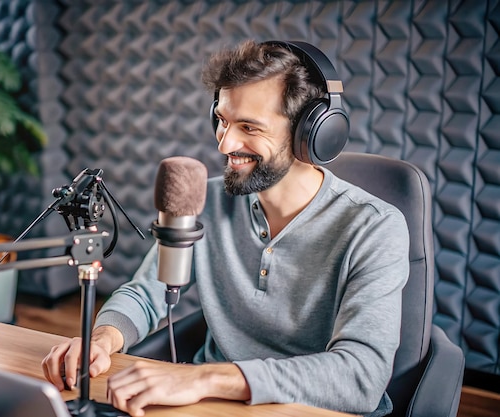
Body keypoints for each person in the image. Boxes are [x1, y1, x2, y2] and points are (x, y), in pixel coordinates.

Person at [42, 39, 409, 417]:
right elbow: (146, 292)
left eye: (249, 127)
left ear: (312, 133)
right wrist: (101, 340)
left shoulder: (374, 227)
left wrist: (205, 379)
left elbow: (362, 378)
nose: (225, 143)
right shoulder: (205, 200)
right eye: (222, 119)